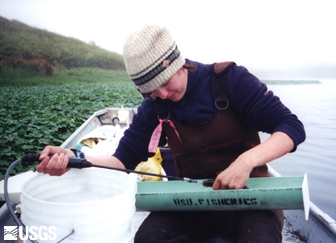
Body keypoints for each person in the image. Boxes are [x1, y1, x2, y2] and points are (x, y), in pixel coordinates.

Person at [37, 25, 305, 243]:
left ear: (179, 63)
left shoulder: (231, 80)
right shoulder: (155, 107)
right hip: (192, 202)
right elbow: (122, 161)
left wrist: (246, 162)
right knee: (147, 239)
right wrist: (74, 156)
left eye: (165, 83)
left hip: (252, 201)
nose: (163, 95)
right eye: (151, 91)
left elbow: (291, 127)